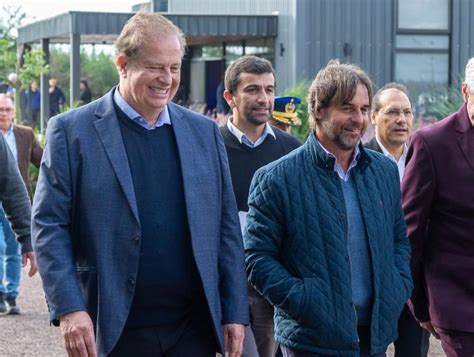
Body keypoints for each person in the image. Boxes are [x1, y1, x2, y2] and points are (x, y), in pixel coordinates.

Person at [32, 12, 248, 357]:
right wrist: (69, 308)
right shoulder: (72, 132)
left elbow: (225, 227)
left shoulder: (203, 132)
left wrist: (235, 311)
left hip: (193, 330)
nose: (167, 78)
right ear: (122, 64)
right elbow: (48, 225)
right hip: (116, 330)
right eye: (155, 67)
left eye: (174, 68)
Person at [244, 60, 412, 356]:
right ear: (318, 110)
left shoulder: (383, 171)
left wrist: (397, 287)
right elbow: (257, 258)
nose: (358, 119)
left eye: (363, 109)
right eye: (347, 108)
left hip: (373, 336)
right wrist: (307, 301)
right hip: (311, 340)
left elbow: (398, 239)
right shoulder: (277, 178)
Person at [220, 55, 301, 357]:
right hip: (226, 278)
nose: (264, 98)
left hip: (272, 280)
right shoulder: (210, 145)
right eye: (253, 89)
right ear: (231, 97)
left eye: (269, 89)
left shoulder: (290, 149)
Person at [402, 57, 474, 357]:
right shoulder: (431, 143)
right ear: (466, 91)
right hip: (458, 303)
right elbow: (410, 232)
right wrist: (419, 304)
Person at [366, 83, 429, 357]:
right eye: (392, 112)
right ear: (373, 116)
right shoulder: (357, 160)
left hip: (415, 282)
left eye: (407, 112)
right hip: (372, 284)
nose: (401, 120)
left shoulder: (425, 159)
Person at [0, 93, 42, 314]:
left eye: (7, 109)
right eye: (0, 110)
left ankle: (11, 294)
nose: (3, 114)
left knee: (12, 250)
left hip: (10, 202)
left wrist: (27, 235)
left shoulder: (24, 134)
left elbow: (12, 183)